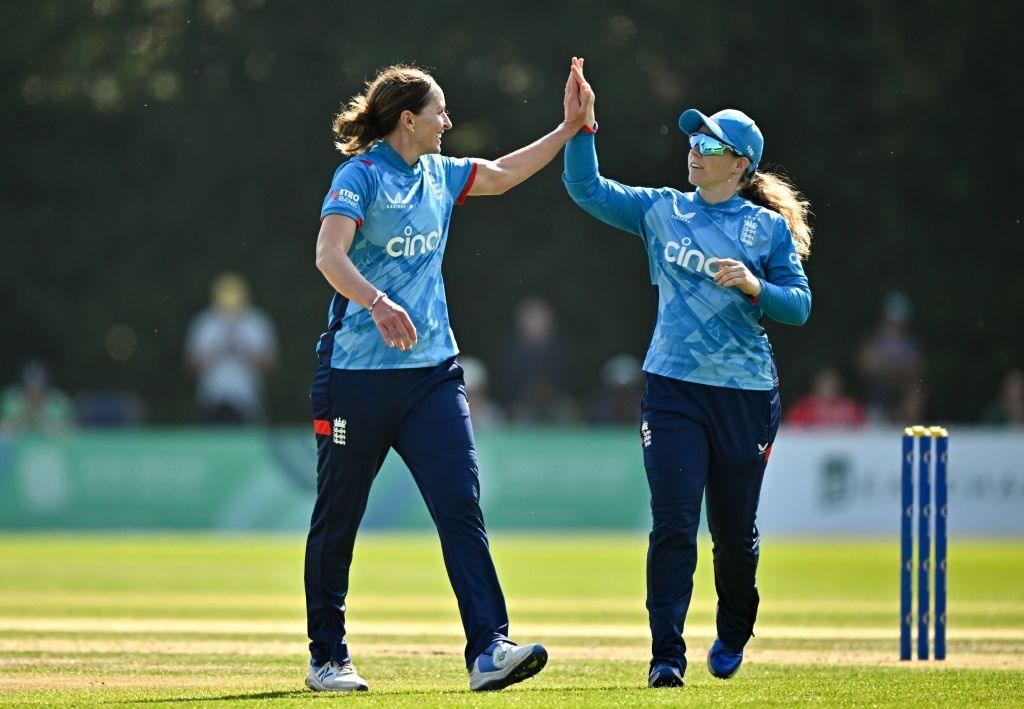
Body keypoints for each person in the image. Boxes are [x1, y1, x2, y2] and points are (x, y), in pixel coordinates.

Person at [306, 63, 590, 693]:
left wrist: (569, 127)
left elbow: (506, 173)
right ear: (409, 120)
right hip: (355, 377)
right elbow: (329, 254)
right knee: (340, 517)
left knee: (460, 505)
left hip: (433, 375)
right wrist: (377, 302)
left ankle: (489, 649)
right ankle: (327, 656)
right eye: (440, 112)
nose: (448, 122)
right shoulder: (359, 175)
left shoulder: (439, 174)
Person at [562, 58, 812, 687]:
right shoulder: (661, 210)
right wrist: (581, 130)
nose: (695, 152)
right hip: (673, 388)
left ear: (741, 165)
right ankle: (666, 656)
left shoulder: (768, 228)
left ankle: (733, 632)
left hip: (745, 395)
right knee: (673, 522)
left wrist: (757, 285)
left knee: (733, 536)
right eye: (694, 141)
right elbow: (586, 190)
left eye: (710, 145)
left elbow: (800, 307)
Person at [185, 272, 278, 424]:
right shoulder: (204, 324)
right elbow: (190, 367)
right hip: (211, 401)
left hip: (248, 402)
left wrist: (244, 351)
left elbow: (272, 367)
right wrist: (218, 350)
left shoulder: (257, 323)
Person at [857, 293, 925, 424]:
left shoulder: (910, 342)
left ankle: (908, 420)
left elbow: (918, 369)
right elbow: (866, 366)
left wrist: (886, 367)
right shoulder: (873, 338)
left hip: (902, 394)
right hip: (876, 395)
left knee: (916, 389)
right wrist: (897, 369)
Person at [0, 361, 74, 434]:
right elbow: (5, 423)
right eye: (30, 380)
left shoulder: (58, 399)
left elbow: (69, 426)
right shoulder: (11, 397)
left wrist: (43, 419)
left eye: (38, 380)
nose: (34, 385)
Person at [785, 368, 866, 428]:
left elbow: (864, 430)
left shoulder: (851, 407)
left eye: (832, 384)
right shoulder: (802, 408)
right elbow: (793, 433)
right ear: (816, 385)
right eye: (825, 384)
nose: (829, 388)